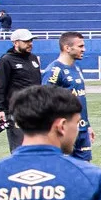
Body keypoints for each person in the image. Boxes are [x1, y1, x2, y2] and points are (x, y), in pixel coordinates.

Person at [40, 32, 93, 163]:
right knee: (63, 169)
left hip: (81, 129)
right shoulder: (54, 70)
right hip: (63, 131)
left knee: (84, 170)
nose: (84, 49)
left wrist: (87, 126)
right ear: (67, 48)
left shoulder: (76, 68)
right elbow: (45, 101)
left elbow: (80, 100)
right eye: (80, 46)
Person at [0, 27, 42, 151]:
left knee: (37, 148)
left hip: (36, 110)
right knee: (20, 149)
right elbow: (0, 86)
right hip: (17, 111)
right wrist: (0, 110)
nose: (30, 44)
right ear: (15, 43)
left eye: (31, 41)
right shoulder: (6, 60)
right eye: (26, 41)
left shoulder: (33, 59)